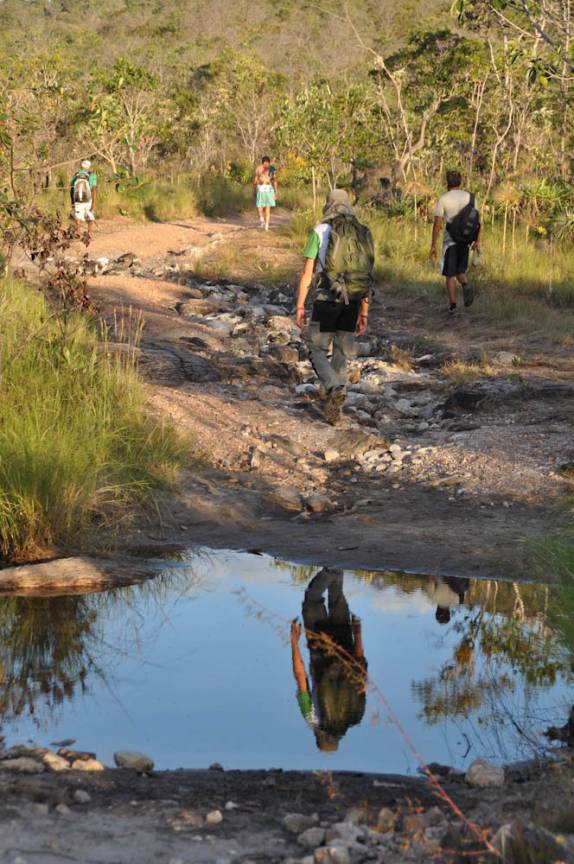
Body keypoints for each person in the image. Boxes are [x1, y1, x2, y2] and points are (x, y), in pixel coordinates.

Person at [295, 189, 374, 425]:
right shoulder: (364, 232)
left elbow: (307, 273)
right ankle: (335, 409)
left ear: (329, 204)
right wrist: (364, 312)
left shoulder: (319, 231)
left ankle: (333, 386)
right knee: (341, 352)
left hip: (326, 298)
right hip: (354, 298)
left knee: (316, 349)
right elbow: (368, 275)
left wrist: (300, 306)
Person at [290, 569, 368, 753]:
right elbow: (300, 677)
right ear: (319, 737)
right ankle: (330, 569)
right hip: (319, 644)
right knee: (312, 598)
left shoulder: (354, 715)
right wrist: (294, 641)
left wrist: (357, 633)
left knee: (337, 596)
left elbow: (361, 672)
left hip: (344, 643)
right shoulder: (313, 719)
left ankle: (336, 566)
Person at [430, 170, 480, 315]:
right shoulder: (471, 197)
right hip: (465, 241)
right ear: (460, 182)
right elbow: (478, 223)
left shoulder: (444, 198)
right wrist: (477, 241)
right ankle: (465, 284)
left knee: (450, 274)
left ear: (447, 182)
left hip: (450, 242)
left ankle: (452, 306)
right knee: (460, 271)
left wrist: (433, 245)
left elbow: (437, 224)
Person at [70, 159, 97, 237]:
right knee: (90, 213)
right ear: (89, 166)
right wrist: (94, 203)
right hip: (88, 198)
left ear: (81, 166)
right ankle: (90, 232)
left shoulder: (76, 174)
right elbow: (94, 189)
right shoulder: (91, 174)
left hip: (77, 198)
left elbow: (72, 188)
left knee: (78, 213)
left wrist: (72, 201)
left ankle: (78, 231)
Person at [253, 156, 277, 230]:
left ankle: (266, 226)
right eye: (265, 163)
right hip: (261, 189)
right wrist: (254, 190)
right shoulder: (258, 169)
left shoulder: (272, 169)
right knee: (259, 207)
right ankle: (262, 220)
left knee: (268, 208)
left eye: (268, 163)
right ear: (262, 163)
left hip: (269, 189)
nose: (266, 164)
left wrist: (276, 192)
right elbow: (255, 180)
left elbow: (275, 181)